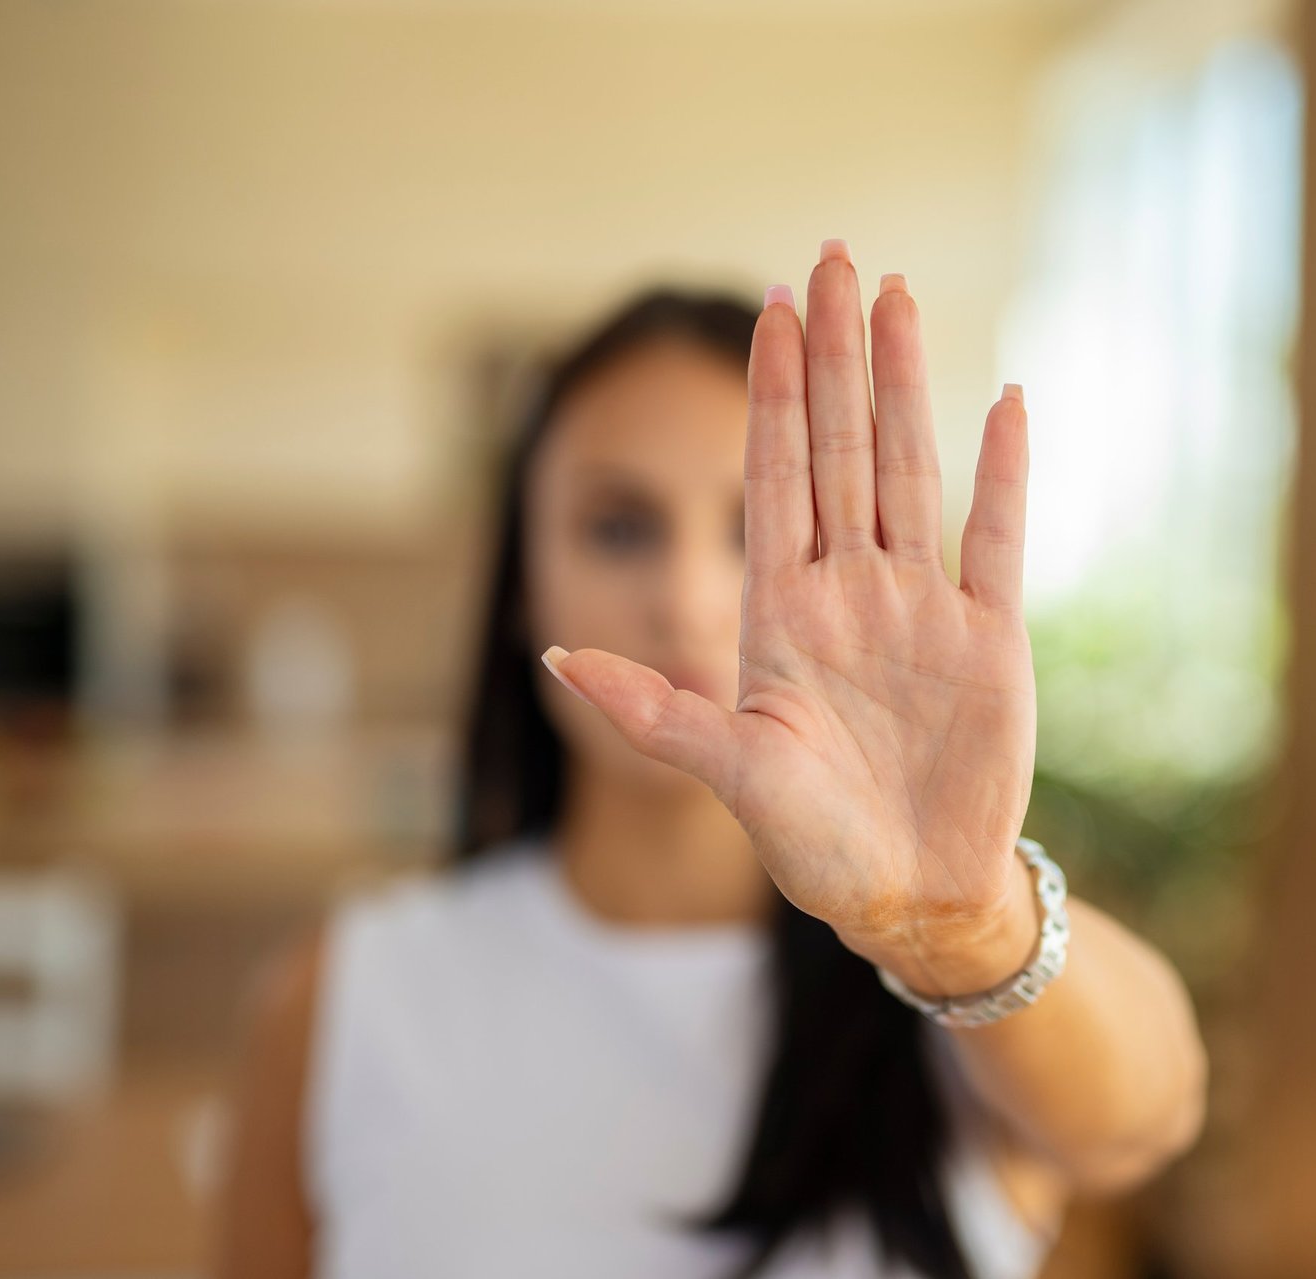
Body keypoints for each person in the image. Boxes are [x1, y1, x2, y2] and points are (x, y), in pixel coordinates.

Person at [212, 240, 1208, 1279]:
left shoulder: (953, 1008)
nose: (685, 597)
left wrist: (957, 927)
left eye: (751, 528)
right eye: (619, 527)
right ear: (520, 588)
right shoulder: (343, 1001)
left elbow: (1151, 1116)